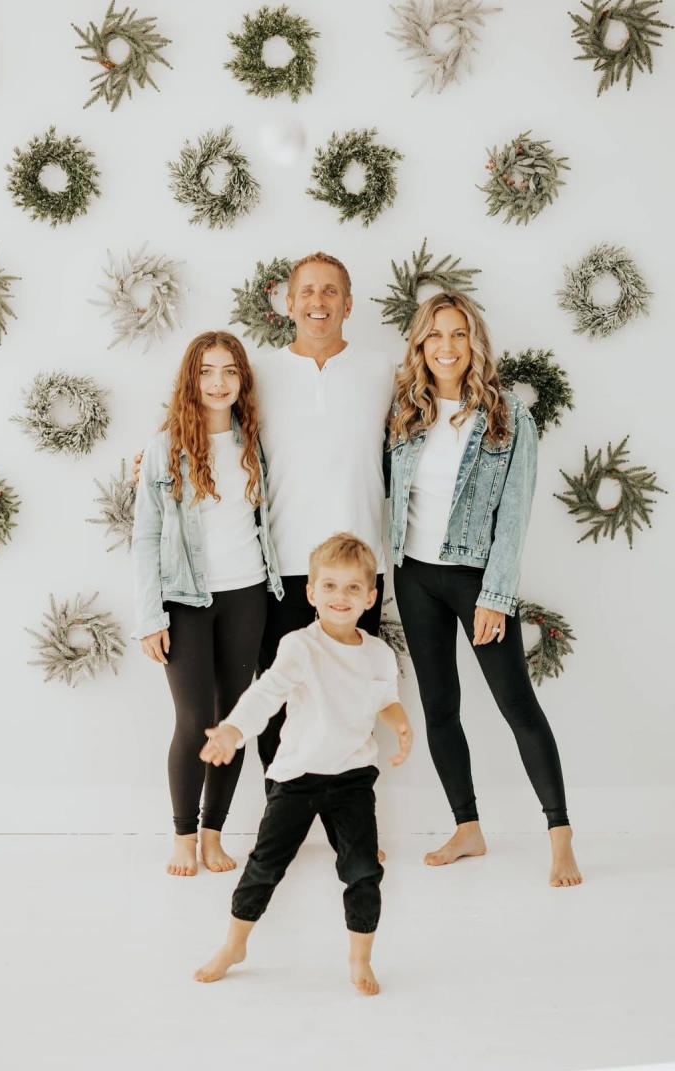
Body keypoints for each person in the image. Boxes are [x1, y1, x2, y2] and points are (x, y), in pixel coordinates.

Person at [388, 292, 582, 887]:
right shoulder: (405, 410)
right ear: (420, 345)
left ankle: (561, 835)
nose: (447, 347)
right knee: (440, 707)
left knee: (516, 704)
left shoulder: (507, 415)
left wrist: (496, 595)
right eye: (435, 335)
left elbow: (514, 515)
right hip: (413, 575)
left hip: (475, 580)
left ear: (475, 343)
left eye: (458, 334)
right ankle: (467, 827)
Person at [193, 534, 413, 995]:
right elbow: (266, 693)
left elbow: (384, 699)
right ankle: (234, 945)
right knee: (264, 867)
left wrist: (400, 723)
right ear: (311, 593)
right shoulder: (299, 646)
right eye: (329, 586)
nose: (340, 596)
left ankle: (360, 958)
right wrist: (233, 729)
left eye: (353, 588)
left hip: (353, 779)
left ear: (370, 597)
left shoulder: (378, 653)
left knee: (363, 871)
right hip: (296, 777)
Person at [132, 331, 282, 878]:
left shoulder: (254, 443)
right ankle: (184, 836)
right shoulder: (164, 447)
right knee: (194, 719)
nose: (218, 383)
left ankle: (214, 833)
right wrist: (150, 617)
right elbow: (145, 536)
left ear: (242, 380)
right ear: (190, 380)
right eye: (207, 371)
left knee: (231, 719)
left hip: (248, 593)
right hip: (185, 599)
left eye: (229, 371)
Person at [251, 253, 396, 777]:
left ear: (348, 305)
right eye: (308, 291)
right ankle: (280, 810)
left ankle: (348, 815)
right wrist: (156, 457)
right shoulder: (259, 373)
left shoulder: (383, 371)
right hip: (284, 566)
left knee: (353, 705)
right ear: (289, 304)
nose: (319, 301)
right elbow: (206, 418)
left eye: (331, 291)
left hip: (358, 568)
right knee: (277, 702)